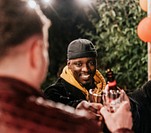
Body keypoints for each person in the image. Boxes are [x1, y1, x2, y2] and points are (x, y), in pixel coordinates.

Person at [0, 0, 133, 132]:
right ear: (35, 52)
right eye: (45, 49)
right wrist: (121, 129)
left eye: (91, 63)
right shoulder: (74, 126)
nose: (86, 69)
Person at [44, 38, 106, 107]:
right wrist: (77, 106)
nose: (86, 69)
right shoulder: (54, 92)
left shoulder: (104, 90)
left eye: (91, 63)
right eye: (79, 64)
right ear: (69, 65)